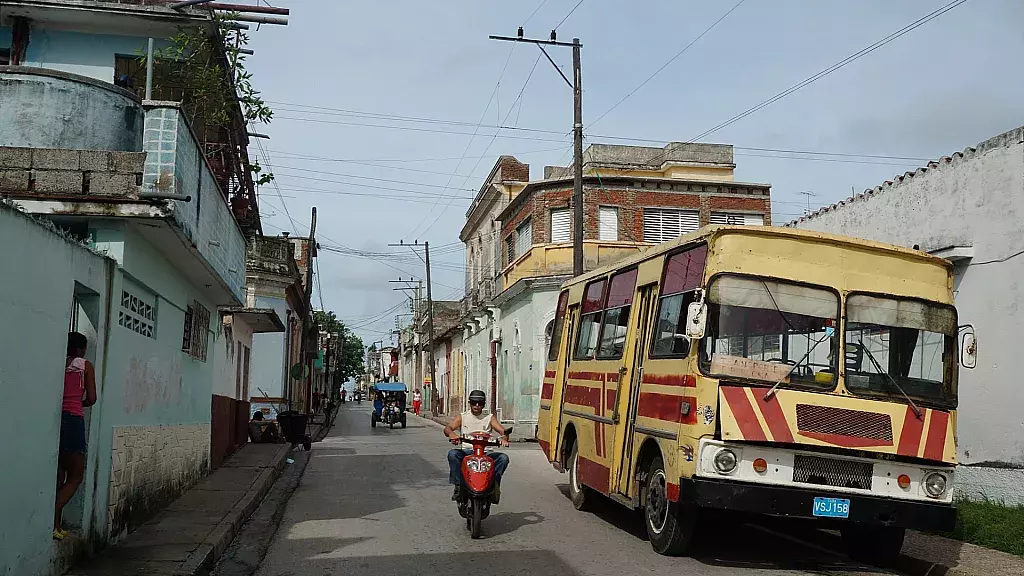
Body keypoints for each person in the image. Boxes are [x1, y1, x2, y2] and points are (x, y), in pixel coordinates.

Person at [54, 332, 97, 540]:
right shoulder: (85, 366)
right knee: (76, 476)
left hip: (56, 420)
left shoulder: (58, 361)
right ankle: (49, 515)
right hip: (73, 419)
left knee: (60, 474)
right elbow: (92, 398)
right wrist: (81, 403)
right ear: (81, 348)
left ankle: (55, 526)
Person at [443, 389, 509, 501]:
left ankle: (495, 485)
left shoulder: (489, 418)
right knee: (452, 454)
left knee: (503, 458)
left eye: (480, 403)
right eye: (474, 402)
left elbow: (503, 432)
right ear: (470, 403)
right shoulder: (463, 417)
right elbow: (448, 428)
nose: (477, 405)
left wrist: (504, 438)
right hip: (467, 452)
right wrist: (451, 434)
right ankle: (458, 486)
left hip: (486, 453)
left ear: (483, 404)